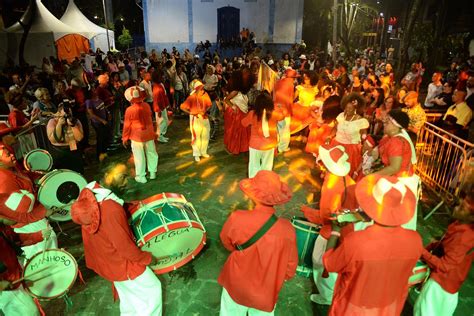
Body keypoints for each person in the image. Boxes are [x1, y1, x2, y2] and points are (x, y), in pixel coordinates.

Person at [323, 174, 423, 315]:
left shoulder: (356, 241)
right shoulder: (415, 240)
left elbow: (329, 264)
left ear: (372, 205)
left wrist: (335, 231)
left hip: (354, 309)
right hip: (389, 308)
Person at [71, 163, 162, 315]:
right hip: (120, 264)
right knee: (151, 291)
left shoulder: (88, 191)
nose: (126, 182)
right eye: (121, 177)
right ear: (107, 176)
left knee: (129, 298)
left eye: (126, 177)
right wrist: (146, 258)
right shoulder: (111, 208)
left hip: (104, 260)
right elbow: (125, 248)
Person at [218, 170, 298, 315]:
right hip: (265, 292)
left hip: (236, 285)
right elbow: (290, 267)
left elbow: (226, 242)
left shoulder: (237, 218)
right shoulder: (287, 229)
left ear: (253, 195)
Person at [301, 144, 358, 305]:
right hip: (350, 228)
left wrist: (308, 212)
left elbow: (326, 216)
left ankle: (327, 295)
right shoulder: (348, 179)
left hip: (334, 229)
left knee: (320, 261)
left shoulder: (332, 185)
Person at [413, 185, 474, 316]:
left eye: (463, 206)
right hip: (446, 284)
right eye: (464, 198)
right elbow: (446, 244)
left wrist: (421, 252)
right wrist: (430, 247)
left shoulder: (464, 237)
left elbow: (445, 266)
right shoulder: (462, 224)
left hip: (441, 287)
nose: (459, 203)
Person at [241, 91, 286, 178]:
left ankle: (254, 182)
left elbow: (243, 123)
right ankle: (265, 182)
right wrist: (278, 108)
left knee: (254, 165)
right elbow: (282, 116)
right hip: (269, 144)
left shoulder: (252, 114)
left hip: (255, 145)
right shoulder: (274, 113)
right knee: (267, 165)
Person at [0, 221, 40, 316]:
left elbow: (17, 239)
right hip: (6, 287)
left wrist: (39, 235)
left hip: (14, 277)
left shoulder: (2, 227)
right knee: (30, 312)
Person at [122, 86, 158, 184]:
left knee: (139, 156)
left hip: (137, 136)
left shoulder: (129, 110)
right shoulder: (146, 105)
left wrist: (125, 138)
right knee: (151, 152)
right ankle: (152, 172)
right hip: (149, 133)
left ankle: (141, 176)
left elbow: (127, 126)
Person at [328, 93, 369, 179]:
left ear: (355, 109)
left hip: (351, 149)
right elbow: (335, 128)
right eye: (346, 108)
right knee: (334, 168)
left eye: (350, 108)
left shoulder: (361, 121)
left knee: (344, 172)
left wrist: (365, 140)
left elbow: (364, 135)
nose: (348, 110)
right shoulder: (341, 116)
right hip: (337, 144)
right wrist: (329, 137)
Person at [46, 100, 84, 174]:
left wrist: (73, 126)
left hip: (73, 149)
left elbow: (79, 138)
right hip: (59, 152)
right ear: (59, 113)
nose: (67, 115)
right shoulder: (52, 122)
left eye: (69, 113)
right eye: (65, 113)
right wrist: (59, 124)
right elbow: (54, 139)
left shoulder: (75, 121)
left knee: (77, 172)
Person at [180, 80, 212, 162]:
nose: (202, 89)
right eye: (201, 88)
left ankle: (203, 152)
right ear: (197, 88)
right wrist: (191, 113)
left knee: (205, 135)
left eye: (202, 88)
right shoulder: (192, 97)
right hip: (196, 118)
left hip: (204, 117)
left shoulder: (205, 94)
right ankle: (196, 154)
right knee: (196, 136)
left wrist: (205, 111)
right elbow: (182, 107)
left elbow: (209, 105)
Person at [223, 69, 252, 155]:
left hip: (241, 112)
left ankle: (240, 147)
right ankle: (234, 147)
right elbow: (226, 99)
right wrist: (233, 106)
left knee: (242, 130)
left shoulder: (240, 90)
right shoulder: (235, 91)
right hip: (236, 113)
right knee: (236, 131)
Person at [275, 68, 298, 152]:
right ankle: (283, 147)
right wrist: (290, 112)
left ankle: (277, 145)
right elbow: (289, 100)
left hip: (276, 108)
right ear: (293, 78)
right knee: (285, 129)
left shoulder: (278, 82)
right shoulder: (290, 85)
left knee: (277, 128)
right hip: (285, 110)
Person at [86, 90, 110, 162]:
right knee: (100, 138)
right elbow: (91, 114)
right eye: (93, 91)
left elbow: (103, 107)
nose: (95, 91)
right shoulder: (89, 101)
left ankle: (104, 153)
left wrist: (108, 113)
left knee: (105, 137)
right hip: (98, 123)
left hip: (105, 120)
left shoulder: (99, 99)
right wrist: (102, 120)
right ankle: (99, 155)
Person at [152, 71, 170, 143]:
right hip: (160, 108)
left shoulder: (159, 85)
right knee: (162, 122)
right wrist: (158, 109)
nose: (163, 77)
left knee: (164, 121)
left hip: (162, 106)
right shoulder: (157, 87)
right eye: (161, 76)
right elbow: (156, 99)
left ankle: (161, 135)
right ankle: (159, 136)